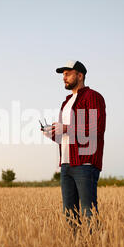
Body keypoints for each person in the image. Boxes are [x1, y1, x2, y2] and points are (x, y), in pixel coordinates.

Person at [43, 60, 106, 232]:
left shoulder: (93, 97)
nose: (64, 77)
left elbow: (96, 129)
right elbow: (67, 136)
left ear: (80, 75)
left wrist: (66, 128)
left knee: (88, 212)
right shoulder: (66, 103)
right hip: (66, 164)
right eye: (63, 74)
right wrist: (53, 134)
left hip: (85, 163)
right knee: (69, 214)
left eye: (68, 73)